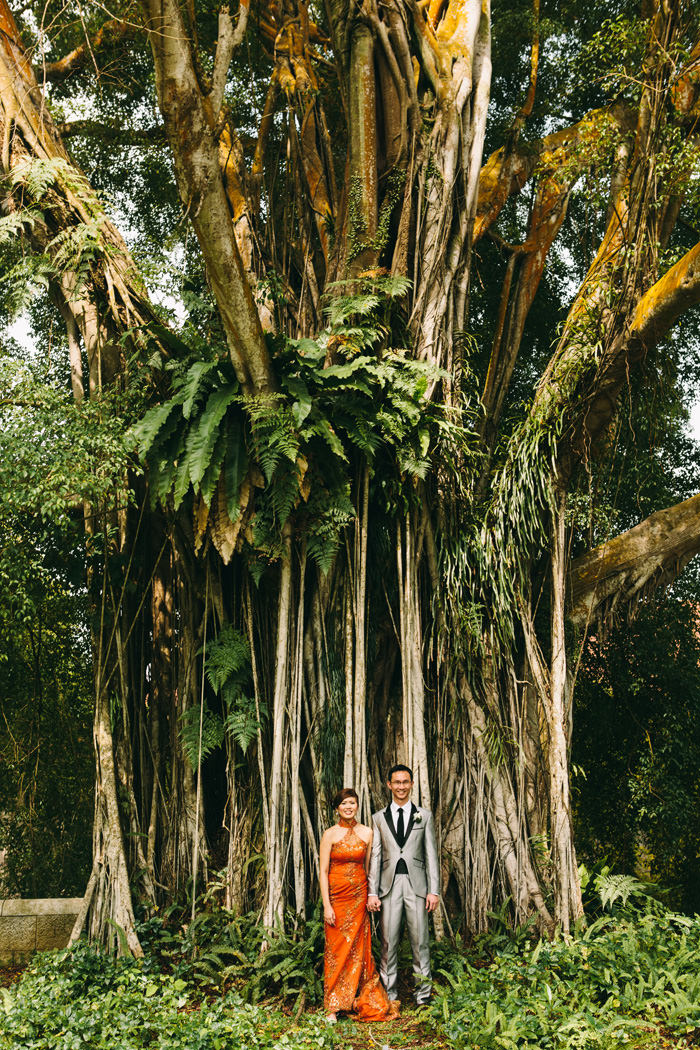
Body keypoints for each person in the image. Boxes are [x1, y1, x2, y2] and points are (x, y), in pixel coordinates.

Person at [320, 788, 399, 1024]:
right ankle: (332, 1005)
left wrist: (370, 896)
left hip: (358, 898)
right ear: (336, 808)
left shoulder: (367, 833)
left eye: (352, 803)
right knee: (336, 951)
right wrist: (327, 905)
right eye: (343, 803)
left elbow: (368, 869)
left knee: (358, 951)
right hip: (336, 897)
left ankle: (355, 999)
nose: (348, 807)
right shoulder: (330, 835)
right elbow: (323, 872)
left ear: (357, 805)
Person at [367, 764, 440, 1006]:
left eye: (405, 782)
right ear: (389, 785)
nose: (401, 786)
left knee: (420, 941)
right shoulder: (378, 818)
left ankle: (423, 995)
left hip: (417, 887)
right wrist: (372, 892)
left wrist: (434, 890)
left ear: (411, 784)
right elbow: (376, 857)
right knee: (388, 942)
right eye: (396, 782)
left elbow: (431, 855)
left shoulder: (424, 815)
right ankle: (389, 995)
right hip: (388, 888)